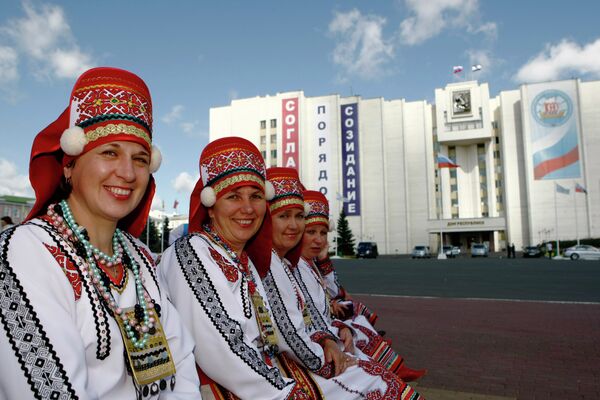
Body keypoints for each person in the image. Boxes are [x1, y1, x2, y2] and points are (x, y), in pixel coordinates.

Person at [0, 67, 200, 399]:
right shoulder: (25, 253)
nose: (127, 172)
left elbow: (181, 362)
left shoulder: (136, 258)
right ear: (69, 165)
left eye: (140, 159)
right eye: (110, 152)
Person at [159, 137, 311, 399]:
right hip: (214, 387)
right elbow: (221, 351)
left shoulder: (243, 259)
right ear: (211, 207)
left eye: (255, 196)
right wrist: (286, 393)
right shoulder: (191, 252)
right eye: (233, 197)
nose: (248, 208)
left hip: (259, 377)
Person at [263, 167, 423, 399]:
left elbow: (317, 307)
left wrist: (330, 335)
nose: (295, 226)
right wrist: (328, 349)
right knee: (369, 367)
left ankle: (394, 368)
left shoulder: (287, 263)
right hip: (284, 365)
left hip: (308, 347)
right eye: (283, 216)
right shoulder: (275, 262)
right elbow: (287, 331)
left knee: (365, 353)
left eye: (299, 217)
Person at [296, 190, 426, 382]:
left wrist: (324, 259)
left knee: (358, 322)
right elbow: (308, 310)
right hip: (314, 341)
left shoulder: (309, 263)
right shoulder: (295, 264)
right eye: (311, 232)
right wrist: (332, 326)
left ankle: (389, 361)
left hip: (322, 331)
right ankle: (387, 361)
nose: (319, 239)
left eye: (323, 233)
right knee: (358, 332)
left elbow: (333, 290)